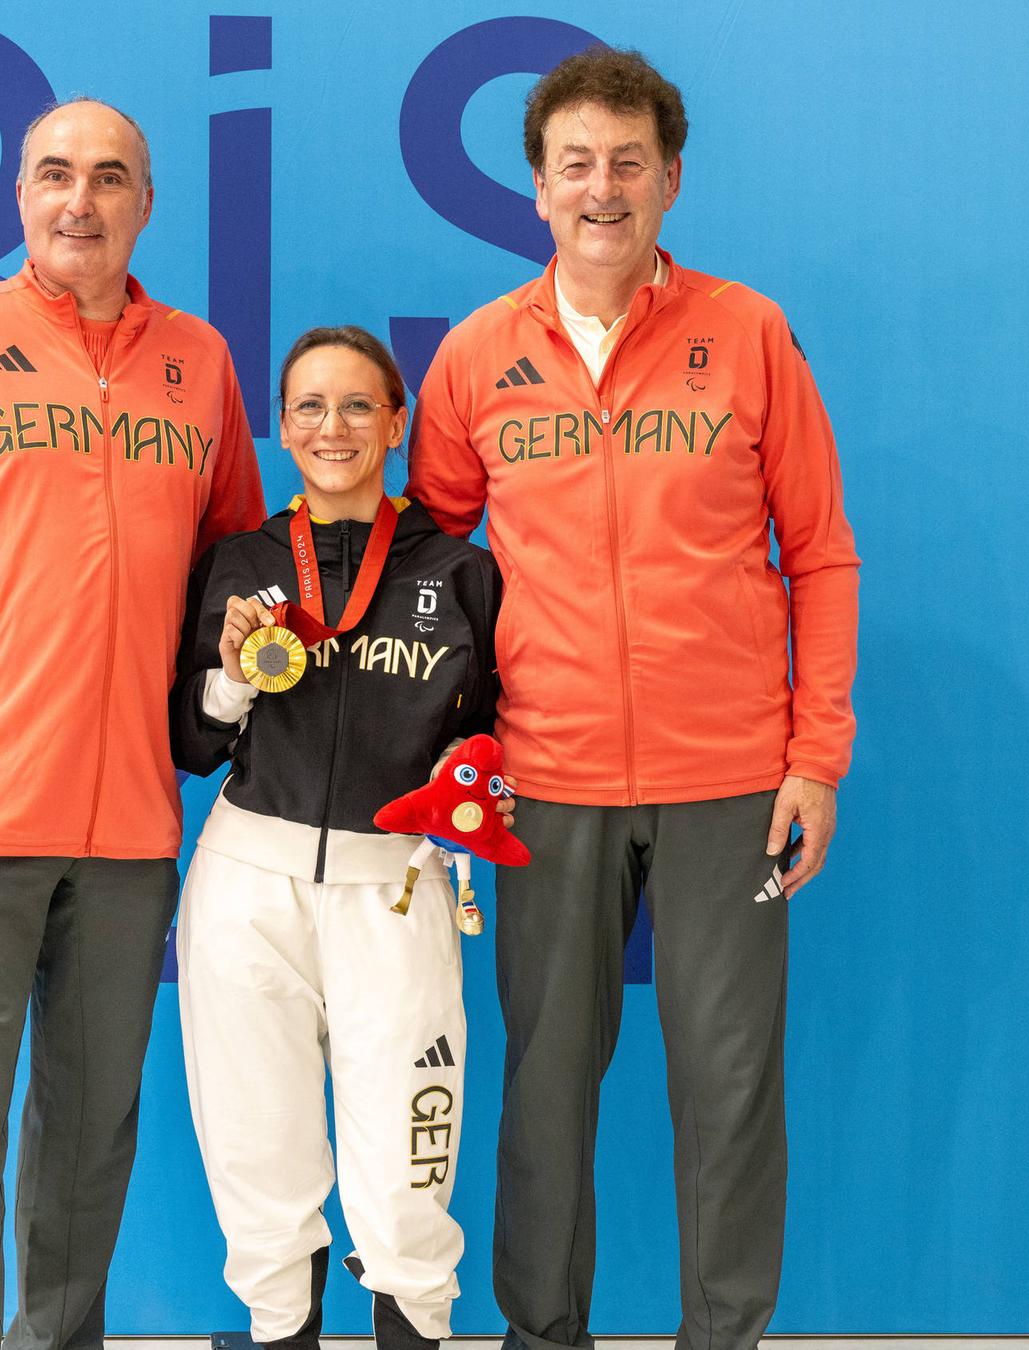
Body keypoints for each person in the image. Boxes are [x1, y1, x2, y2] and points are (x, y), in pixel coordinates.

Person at [407, 47, 860, 1350]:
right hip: (545, 783)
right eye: (574, 165)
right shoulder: (481, 356)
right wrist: (451, 759)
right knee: (545, 1087)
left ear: (668, 178)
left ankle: (724, 1336)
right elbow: (434, 575)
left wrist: (814, 757)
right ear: (537, 188)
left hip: (731, 780)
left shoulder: (749, 334)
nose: (600, 188)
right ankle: (541, 1336)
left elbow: (820, 553)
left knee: (728, 1087)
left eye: (625, 163)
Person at [0, 96, 267, 1350]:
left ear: (146, 205)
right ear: (20, 197)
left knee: (88, 1131)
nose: (82, 200)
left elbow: (233, 572)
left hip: (131, 818)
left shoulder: (200, 364)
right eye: (56, 175)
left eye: (111, 177)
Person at [171, 326, 503, 1350]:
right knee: (256, 1149)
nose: (333, 427)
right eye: (309, 407)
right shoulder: (240, 564)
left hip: (393, 890)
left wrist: (482, 777)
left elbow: (496, 736)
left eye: (359, 405)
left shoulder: (461, 575)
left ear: (397, 423)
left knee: (409, 1158)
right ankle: (284, 1331)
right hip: (246, 887)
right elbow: (191, 738)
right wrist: (229, 676)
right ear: (280, 427)